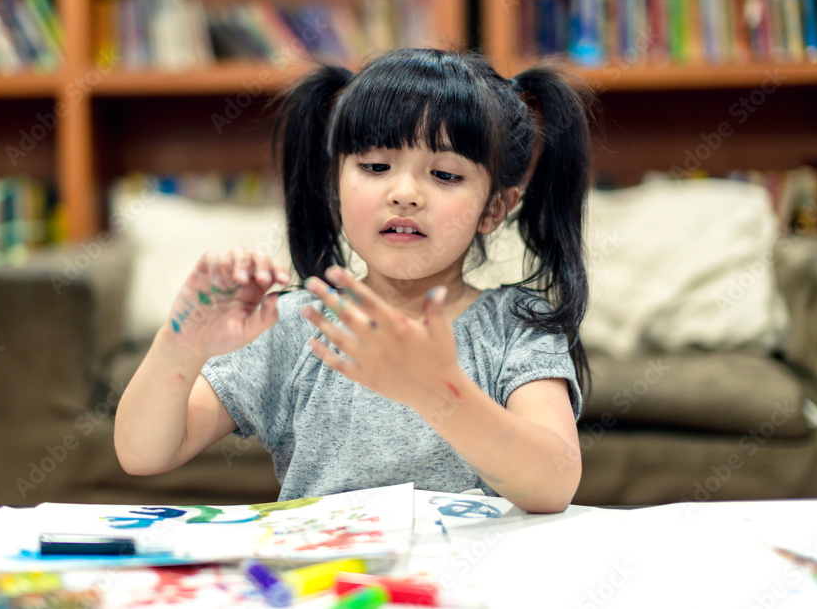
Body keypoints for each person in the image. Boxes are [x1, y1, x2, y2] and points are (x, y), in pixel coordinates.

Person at [115, 47, 594, 513]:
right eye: (375, 167)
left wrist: (439, 392)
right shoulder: (293, 324)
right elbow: (144, 453)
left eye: (445, 175)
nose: (404, 194)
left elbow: (552, 485)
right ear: (335, 187)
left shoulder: (518, 325)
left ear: (494, 208)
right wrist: (181, 343)